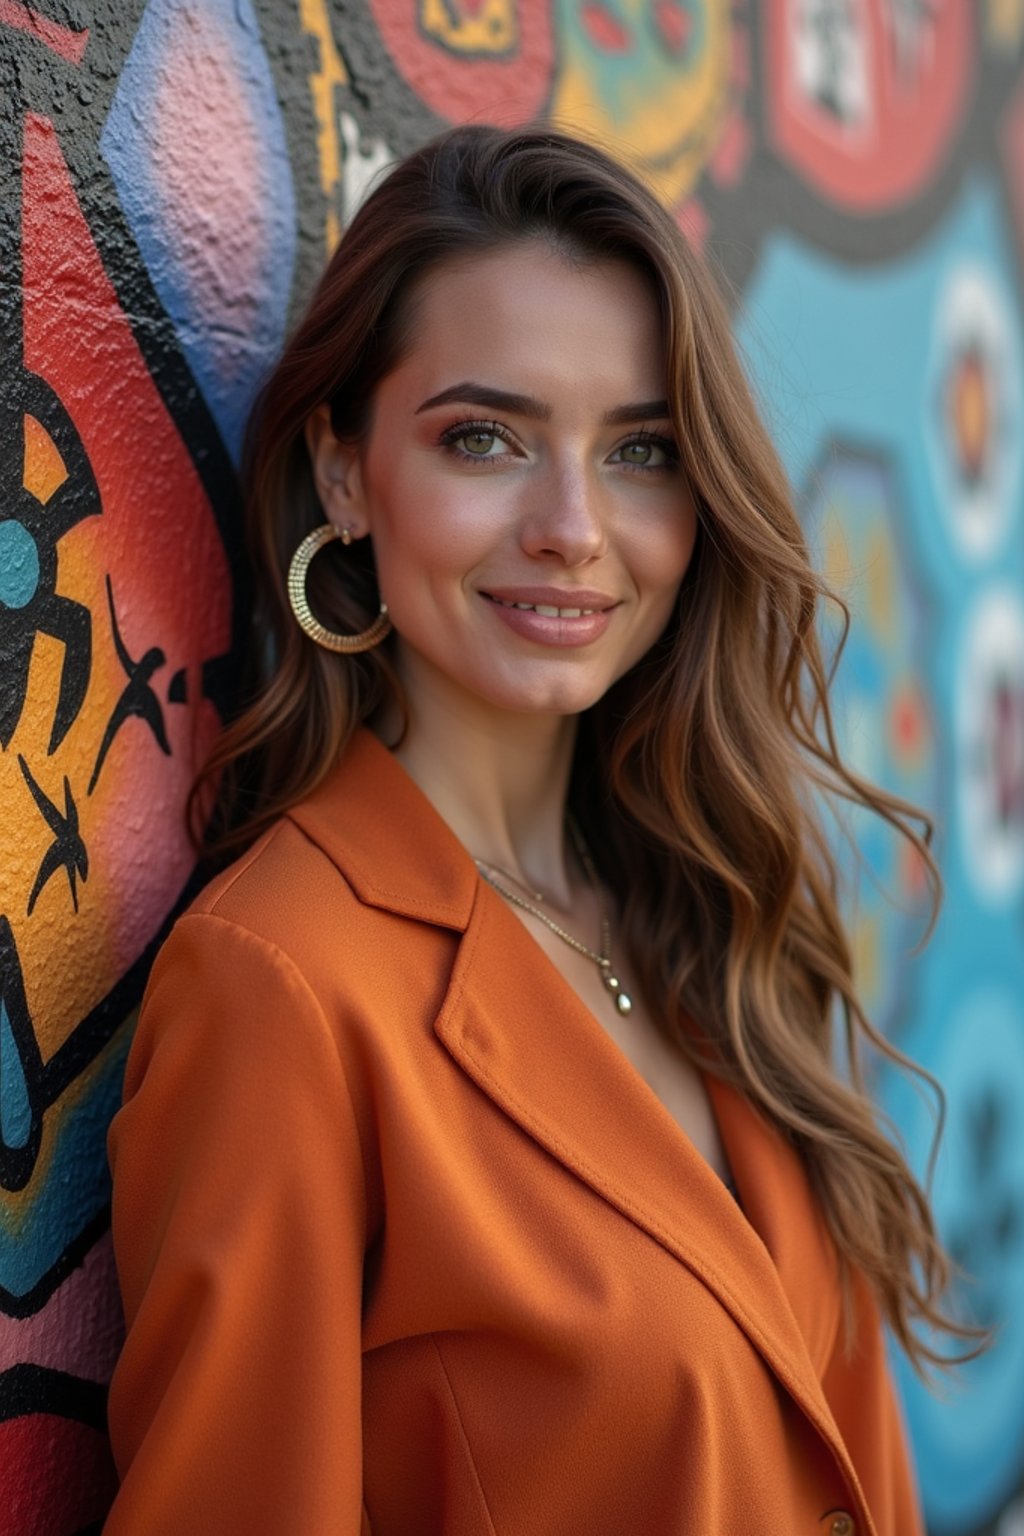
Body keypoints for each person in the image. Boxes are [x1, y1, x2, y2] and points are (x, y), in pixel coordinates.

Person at [103, 125, 972, 1535]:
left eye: (640, 450)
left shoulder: (701, 909)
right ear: (344, 476)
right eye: (484, 438)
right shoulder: (284, 989)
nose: (573, 527)